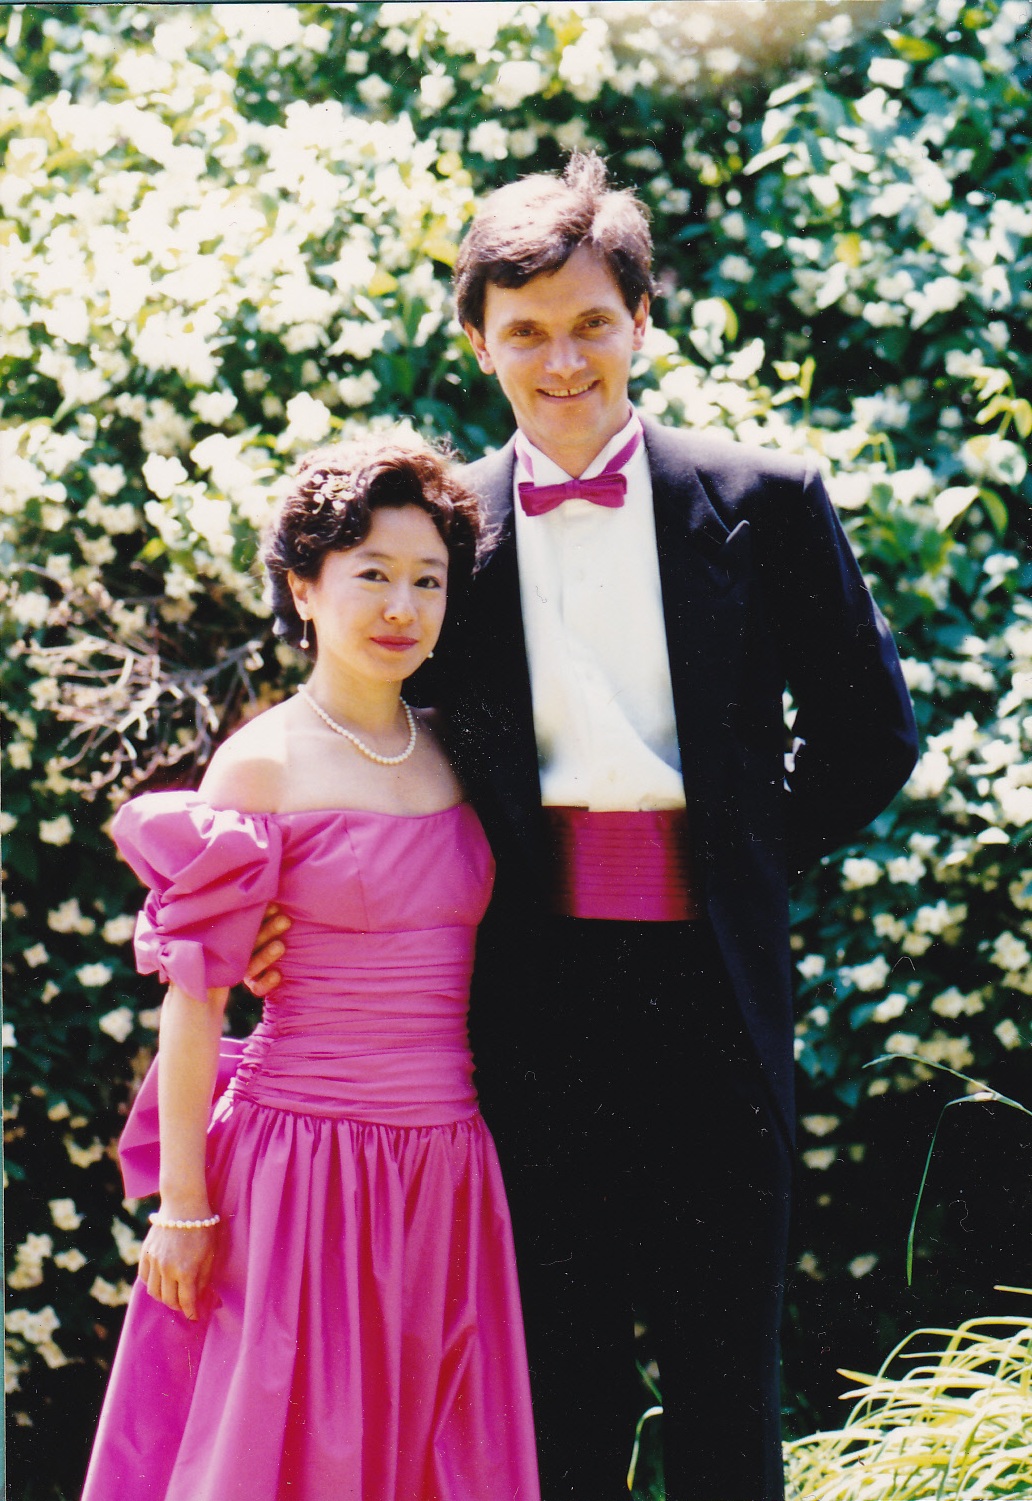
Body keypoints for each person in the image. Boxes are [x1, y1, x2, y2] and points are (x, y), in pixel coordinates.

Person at [246, 154, 920, 1501]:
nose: (565, 359)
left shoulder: (765, 499)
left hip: (715, 1007)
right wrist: (289, 912)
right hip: (521, 1017)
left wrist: (738, 857)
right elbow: (362, 733)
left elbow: (870, 732)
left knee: (730, 1392)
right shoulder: (445, 535)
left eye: (592, 321)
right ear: (483, 345)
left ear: (643, 324)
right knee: (554, 1400)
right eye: (527, 331)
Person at [80, 433, 540, 1501]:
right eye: (370, 574)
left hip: (445, 1167)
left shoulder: (460, 747)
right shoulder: (264, 758)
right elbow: (195, 1002)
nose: (401, 606)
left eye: (427, 581)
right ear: (304, 584)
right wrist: (183, 1207)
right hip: (298, 1168)